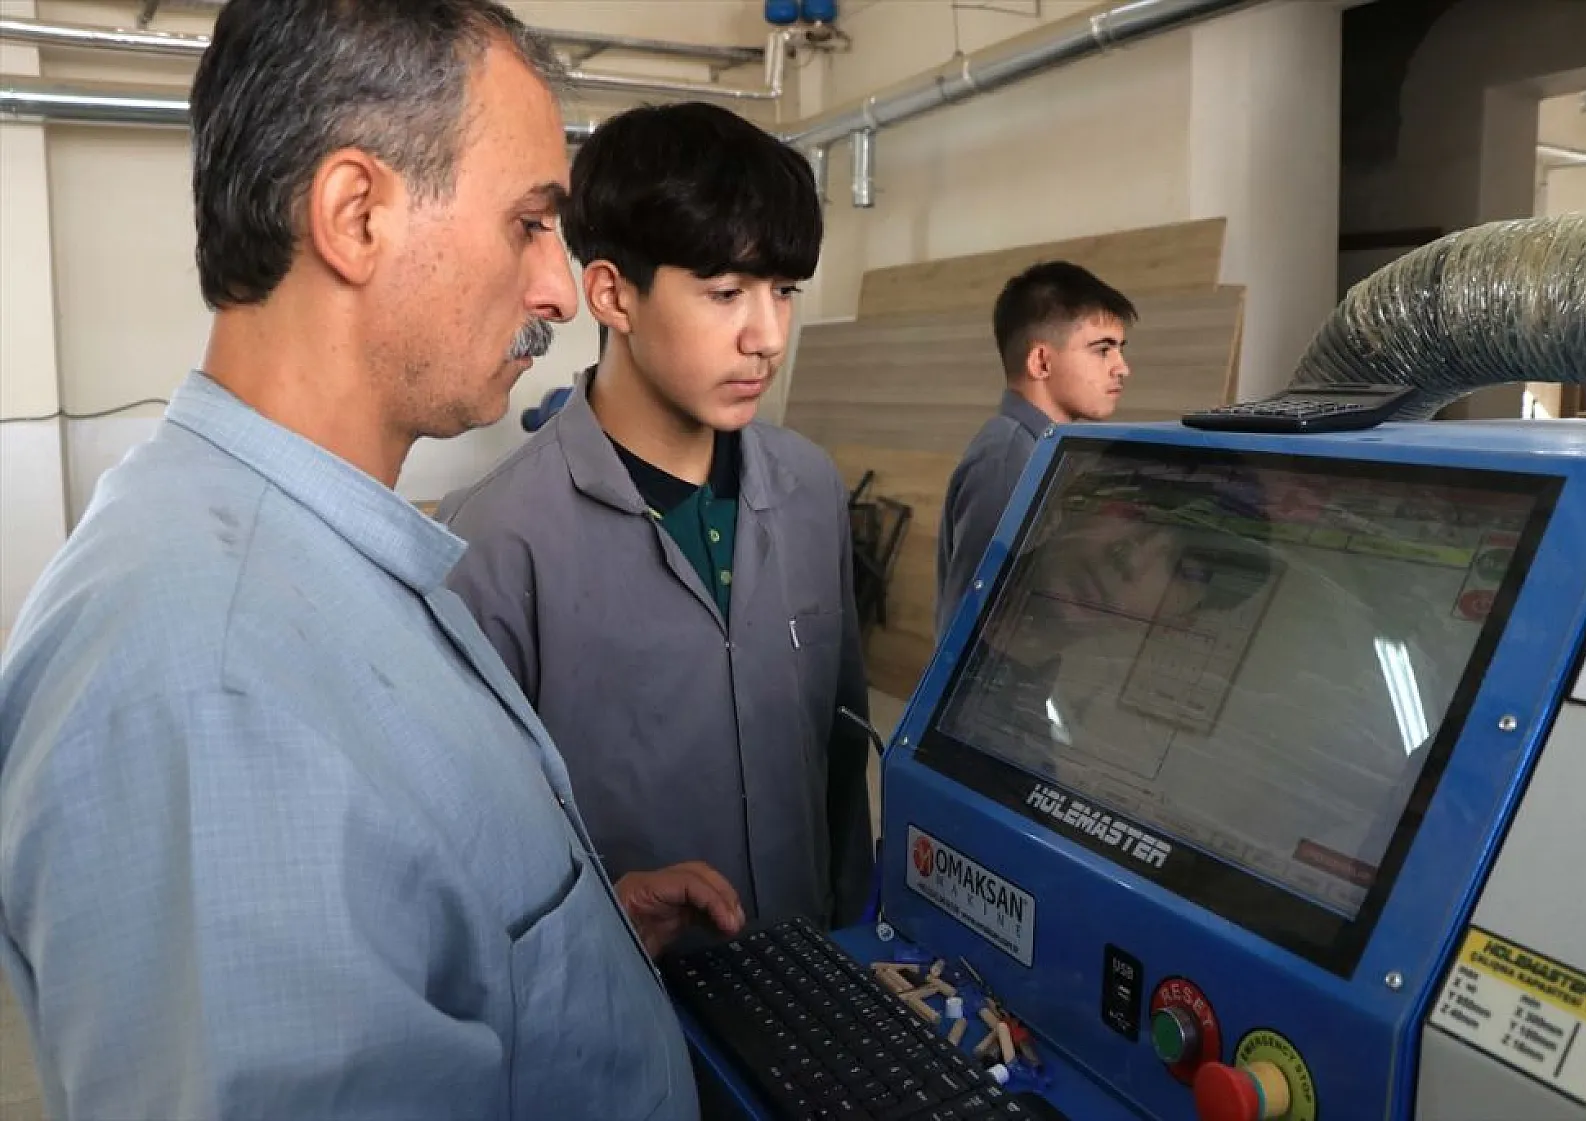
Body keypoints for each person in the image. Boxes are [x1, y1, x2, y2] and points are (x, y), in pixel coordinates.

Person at [0, 4, 741, 1119]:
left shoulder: (304, 561)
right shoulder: (216, 684)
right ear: (356, 215)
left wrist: (561, 949)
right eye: (531, 222)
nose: (556, 288)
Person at [438, 102, 875, 936]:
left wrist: (852, 942)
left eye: (783, 292)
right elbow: (473, 858)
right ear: (612, 294)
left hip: (814, 998)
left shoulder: (811, 491)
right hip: (624, 1025)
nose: (769, 336)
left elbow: (842, 753)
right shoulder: (495, 543)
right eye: (725, 292)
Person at [934, 260, 1138, 635]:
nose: (1122, 368)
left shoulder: (1043, 452)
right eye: (1103, 349)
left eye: (1120, 349)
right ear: (1041, 361)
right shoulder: (1009, 459)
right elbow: (973, 624)